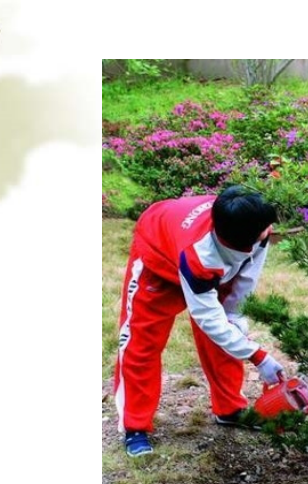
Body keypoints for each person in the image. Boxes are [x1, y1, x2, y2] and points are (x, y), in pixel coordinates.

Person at [113, 186, 286, 457]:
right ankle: (135, 425)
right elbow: (207, 318)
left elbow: (245, 282)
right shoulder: (200, 255)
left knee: (227, 328)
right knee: (142, 343)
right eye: (267, 227)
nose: (270, 229)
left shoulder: (255, 230)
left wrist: (235, 320)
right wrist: (259, 356)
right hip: (158, 256)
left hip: (206, 263)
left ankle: (230, 409)